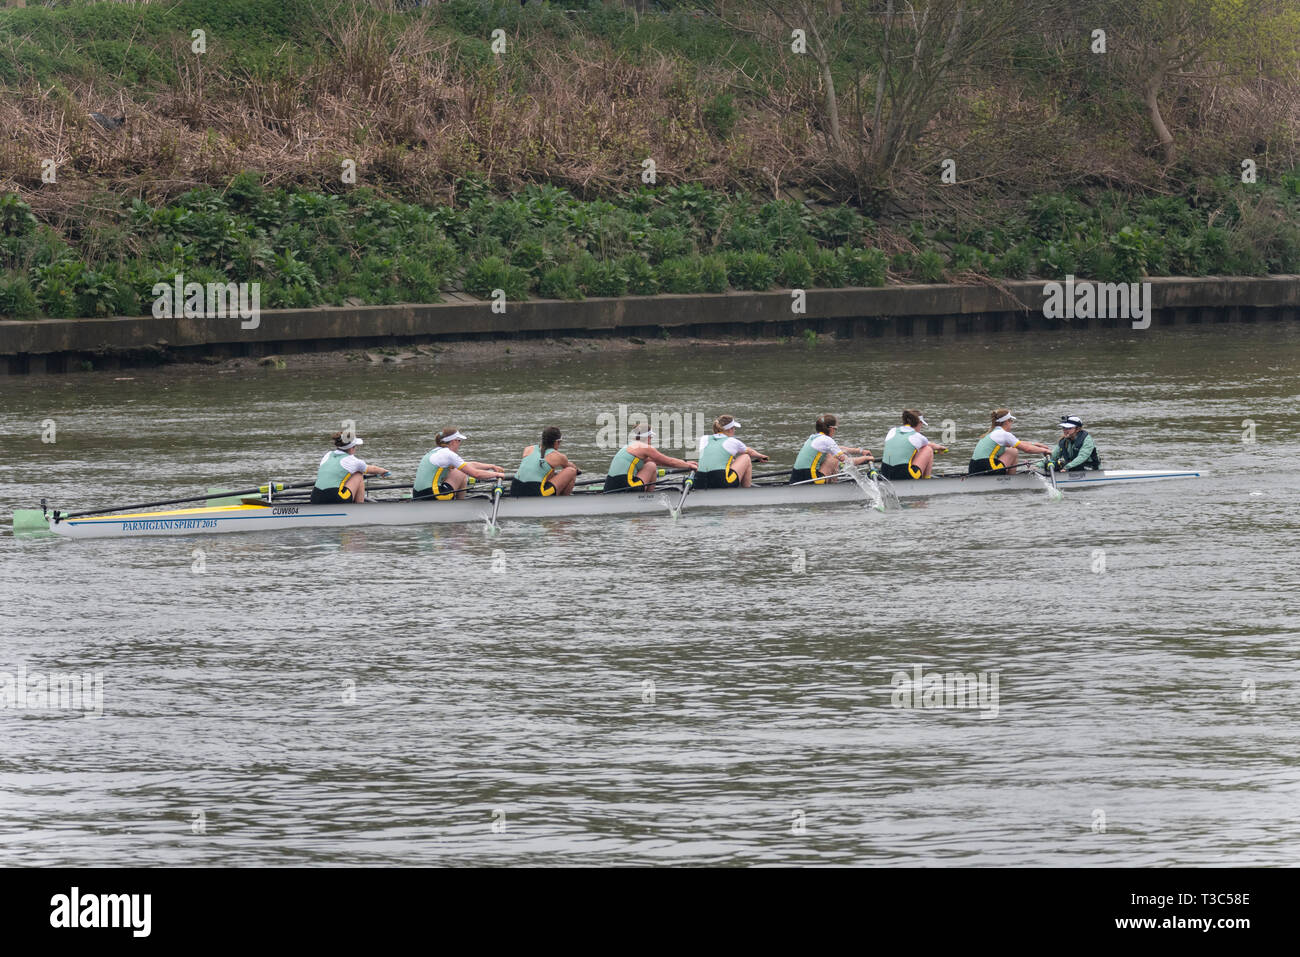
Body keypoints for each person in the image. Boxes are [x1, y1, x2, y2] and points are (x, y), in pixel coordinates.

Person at [413, 427, 506, 500]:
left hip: (418, 494)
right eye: (459, 441)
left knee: (460, 469)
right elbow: (475, 474)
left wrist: (491, 466)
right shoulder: (449, 454)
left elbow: (469, 465)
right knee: (462, 472)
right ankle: (460, 504)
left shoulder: (435, 452)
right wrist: (497, 474)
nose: (460, 444)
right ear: (453, 441)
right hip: (434, 495)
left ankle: (458, 501)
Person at [604, 422, 698, 492]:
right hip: (626, 486)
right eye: (651, 438)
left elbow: (661, 462)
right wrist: (689, 466)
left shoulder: (630, 446)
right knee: (651, 466)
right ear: (648, 437)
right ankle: (649, 497)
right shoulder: (645, 447)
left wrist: (685, 463)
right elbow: (669, 462)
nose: (650, 440)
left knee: (651, 463)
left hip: (609, 486)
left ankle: (646, 496)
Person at [791, 414, 873, 484]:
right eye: (835, 429)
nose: (835, 431)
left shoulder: (813, 438)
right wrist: (866, 458)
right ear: (831, 429)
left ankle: (832, 483)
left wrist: (860, 451)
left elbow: (838, 448)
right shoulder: (826, 440)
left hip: (797, 477)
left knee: (831, 455)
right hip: (810, 478)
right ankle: (834, 487)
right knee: (834, 458)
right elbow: (847, 461)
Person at [311, 432, 390, 504]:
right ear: (351, 448)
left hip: (315, 497)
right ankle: (359, 508)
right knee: (359, 475)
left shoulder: (327, 455)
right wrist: (383, 471)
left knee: (346, 475)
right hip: (335, 498)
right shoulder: (353, 461)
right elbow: (373, 469)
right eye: (355, 447)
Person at [967, 409, 1053, 475]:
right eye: (1011, 421)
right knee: (1013, 451)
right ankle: (1011, 480)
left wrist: (1036, 444)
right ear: (1007, 422)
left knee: (1010, 448)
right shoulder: (1004, 434)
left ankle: (1008, 478)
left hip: (973, 468)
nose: (1011, 424)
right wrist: (1045, 451)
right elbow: (1027, 449)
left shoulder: (991, 433)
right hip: (986, 467)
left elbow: (1018, 443)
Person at [697, 415, 769, 488]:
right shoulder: (732, 441)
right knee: (746, 457)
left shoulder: (704, 439)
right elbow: (750, 452)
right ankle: (747, 491)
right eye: (734, 428)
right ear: (730, 429)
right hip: (721, 483)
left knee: (730, 460)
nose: (734, 430)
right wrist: (761, 456)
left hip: (699, 482)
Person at [512, 426, 580, 497]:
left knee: (548, 470)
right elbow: (572, 468)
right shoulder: (558, 456)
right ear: (557, 442)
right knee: (571, 471)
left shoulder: (528, 449)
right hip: (536, 494)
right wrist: (578, 470)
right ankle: (563, 502)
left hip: (514, 490)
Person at [881, 410, 947, 480]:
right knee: (928, 449)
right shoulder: (917, 436)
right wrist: (941, 448)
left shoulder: (892, 431)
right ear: (919, 423)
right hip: (904, 475)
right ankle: (927, 480)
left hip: (885, 474)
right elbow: (932, 446)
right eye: (921, 425)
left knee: (912, 451)